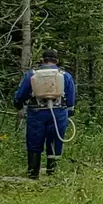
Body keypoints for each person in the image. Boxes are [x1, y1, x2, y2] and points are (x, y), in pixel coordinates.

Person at [12, 49, 76, 179]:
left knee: (34, 141)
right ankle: (52, 173)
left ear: (42, 60)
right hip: (58, 112)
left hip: (37, 112)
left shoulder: (32, 74)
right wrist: (69, 110)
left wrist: (18, 103)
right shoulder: (65, 75)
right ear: (56, 61)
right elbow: (70, 98)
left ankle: (33, 173)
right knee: (55, 141)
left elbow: (21, 94)